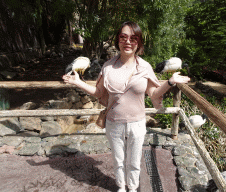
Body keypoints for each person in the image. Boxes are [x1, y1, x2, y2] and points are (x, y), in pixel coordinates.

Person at [63, 21, 190, 192]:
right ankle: (121, 187)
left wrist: (170, 82)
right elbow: (98, 92)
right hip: (114, 123)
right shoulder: (108, 66)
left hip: (137, 123)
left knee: (134, 161)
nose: (128, 41)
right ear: (118, 41)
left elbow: (153, 93)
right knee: (118, 159)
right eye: (123, 37)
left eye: (133, 38)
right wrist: (79, 82)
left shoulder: (144, 67)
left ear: (139, 42)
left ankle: (133, 187)